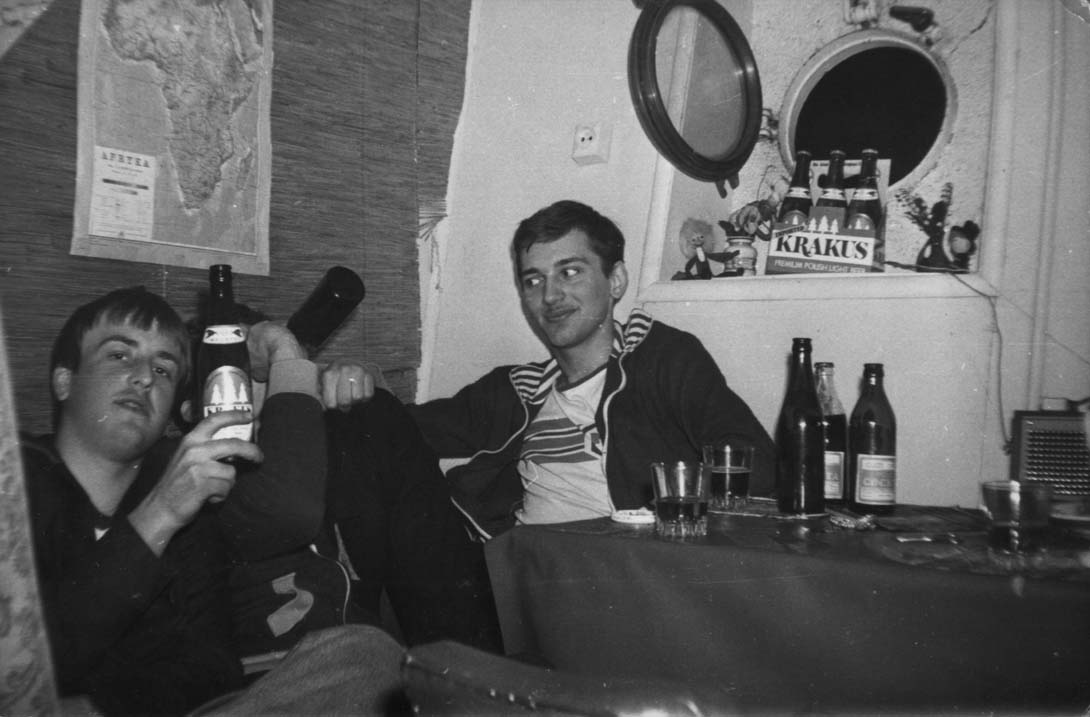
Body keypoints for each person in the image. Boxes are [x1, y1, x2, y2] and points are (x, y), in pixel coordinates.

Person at [409, 200, 776, 538]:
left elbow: (756, 467)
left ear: (615, 281)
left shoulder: (663, 359)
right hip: (516, 565)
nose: (550, 296)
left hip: (617, 564)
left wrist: (659, 514)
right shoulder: (517, 389)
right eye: (533, 281)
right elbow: (404, 427)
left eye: (569, 272)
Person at [22, 287, 258, 715]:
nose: (146, 377)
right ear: (65, 381)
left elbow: (216, 670)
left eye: (164, 369)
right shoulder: (16, 481)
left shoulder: (186, 496)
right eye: (119, 355)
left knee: (359, 654)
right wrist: (159, 515)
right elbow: (23, 667)